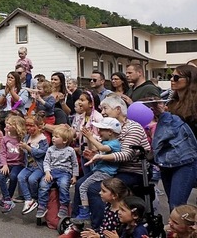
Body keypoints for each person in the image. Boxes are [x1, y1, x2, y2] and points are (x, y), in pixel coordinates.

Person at [72, 94, 151, 230]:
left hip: (131, 171)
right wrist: (95, 154)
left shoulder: (133, 128)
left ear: (118, 109)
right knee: (79, 183)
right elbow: (108, 150)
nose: (102, 112)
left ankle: (99, 227)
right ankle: (77, 222)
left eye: (105, 108)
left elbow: (126, 155)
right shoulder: (110, 129)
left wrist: (100, 157)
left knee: (95, 189)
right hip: (113, 168)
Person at [75, 117, 122, 221]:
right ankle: (82, 211)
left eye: (101, 129)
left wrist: (90, 137)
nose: (99, 131)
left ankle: (85, 212)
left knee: (83, 187)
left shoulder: (114, 144)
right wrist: (88, 139)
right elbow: (95, 149)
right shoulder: (105, 142)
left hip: (105, 172)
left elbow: (101, 149)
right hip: (99, 170)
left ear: (110, 132)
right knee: (80, 185)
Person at [37, 125, 78, 219]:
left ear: (64, 140)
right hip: (52, 171)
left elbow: (75, 164)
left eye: (56, 137)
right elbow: (46, 161)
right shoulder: (50, 149)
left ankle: (64, 205)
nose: (53, 138)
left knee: (63, 185)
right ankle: (42, 205)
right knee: (43, 184)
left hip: (65, 172)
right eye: (53, 136)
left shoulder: (70, 150)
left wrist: (74, 176)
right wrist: (47, 172)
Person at [16, 113, 49, 215]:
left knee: (32, 179)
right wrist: (21, 149)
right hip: (29, 165)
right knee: (20, 177)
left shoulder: (43, 140)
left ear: (39, 127)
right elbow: (24, 152)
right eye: (27, 125)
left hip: (39, 167)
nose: (28, 128)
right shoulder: (27, 137)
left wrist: (28, 148)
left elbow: (42, 154)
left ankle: (35, 197)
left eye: (31, 125)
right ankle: (28, 199)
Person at [0, 114, 26, 213]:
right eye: (7, 123)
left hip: (18, 164)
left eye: (10, 124)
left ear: (16, 126)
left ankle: (6, 199)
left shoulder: (22, 139)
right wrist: (4, 165)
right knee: (1, 176)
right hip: (6, 163)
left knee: (13, 177)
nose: (7, 125)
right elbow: (2, 153)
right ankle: (8, 199)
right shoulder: (5, 139)